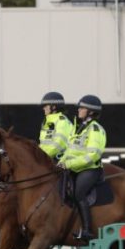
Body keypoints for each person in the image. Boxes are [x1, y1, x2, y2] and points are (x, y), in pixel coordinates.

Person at [58, 95, 106, 241]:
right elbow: (70, 150)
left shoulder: (95, 130)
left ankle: (87, 230)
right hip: (74, 168)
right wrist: (61, 162)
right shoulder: (78, 128)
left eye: (82, 108)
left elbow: (93, 155)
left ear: (90, 112)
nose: (79, 110)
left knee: (78, 192)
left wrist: (70, 164)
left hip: (90, 169)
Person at [38, 91, 72, 161]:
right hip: (48, 159)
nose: (43, 108)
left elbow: (59, 143)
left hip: (60, 161)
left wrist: (41, 156)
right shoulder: (46, 122)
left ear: (53, 107)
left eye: (45, 106)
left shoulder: (62, 121)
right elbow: (43, 145)